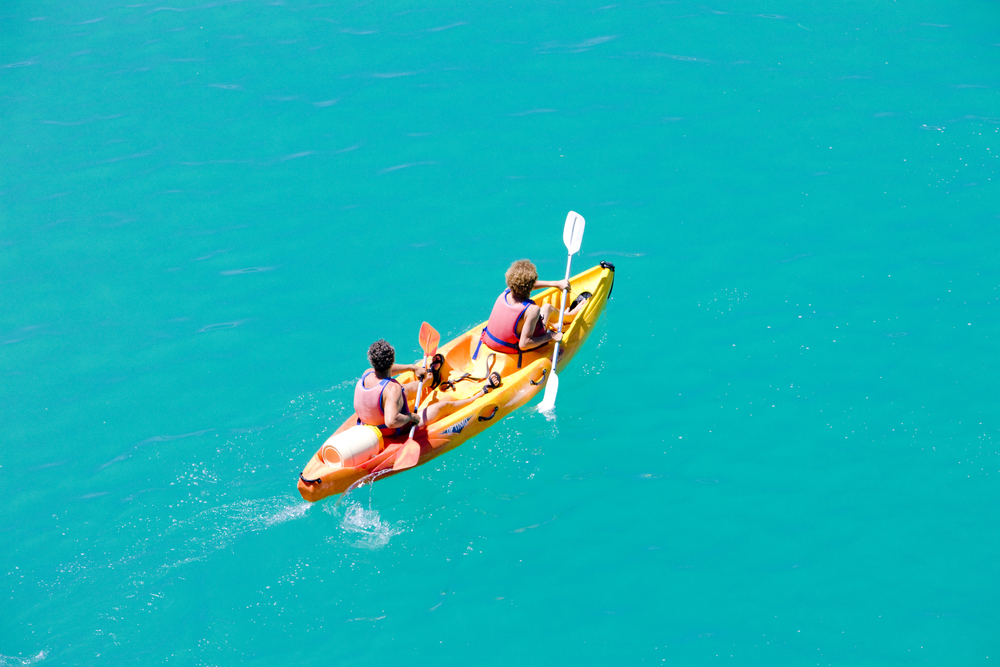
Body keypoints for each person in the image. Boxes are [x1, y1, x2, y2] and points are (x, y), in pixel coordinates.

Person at [355, 339, 499, 437]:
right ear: (392, 359)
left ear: (372, 361)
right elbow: (391, 421)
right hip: (394, 431)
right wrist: (411, 417)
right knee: (443, 406)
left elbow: (387, 371)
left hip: (370, 423)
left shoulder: (368, 374)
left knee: (402, 389)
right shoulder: (392, 389)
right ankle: (479, 395)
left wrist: (411, 368)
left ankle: (429, 381)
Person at [476, 259, 590, 367]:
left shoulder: (506, 292)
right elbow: (524, 344)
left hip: (490, 343)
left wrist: (555, 284)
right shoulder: (531, 310)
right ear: (530, 285)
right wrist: (551, 336)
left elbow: (523, 284)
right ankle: (569, 316)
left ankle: (554, 322)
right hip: (512, 350)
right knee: (547, 308)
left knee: (531, 317)